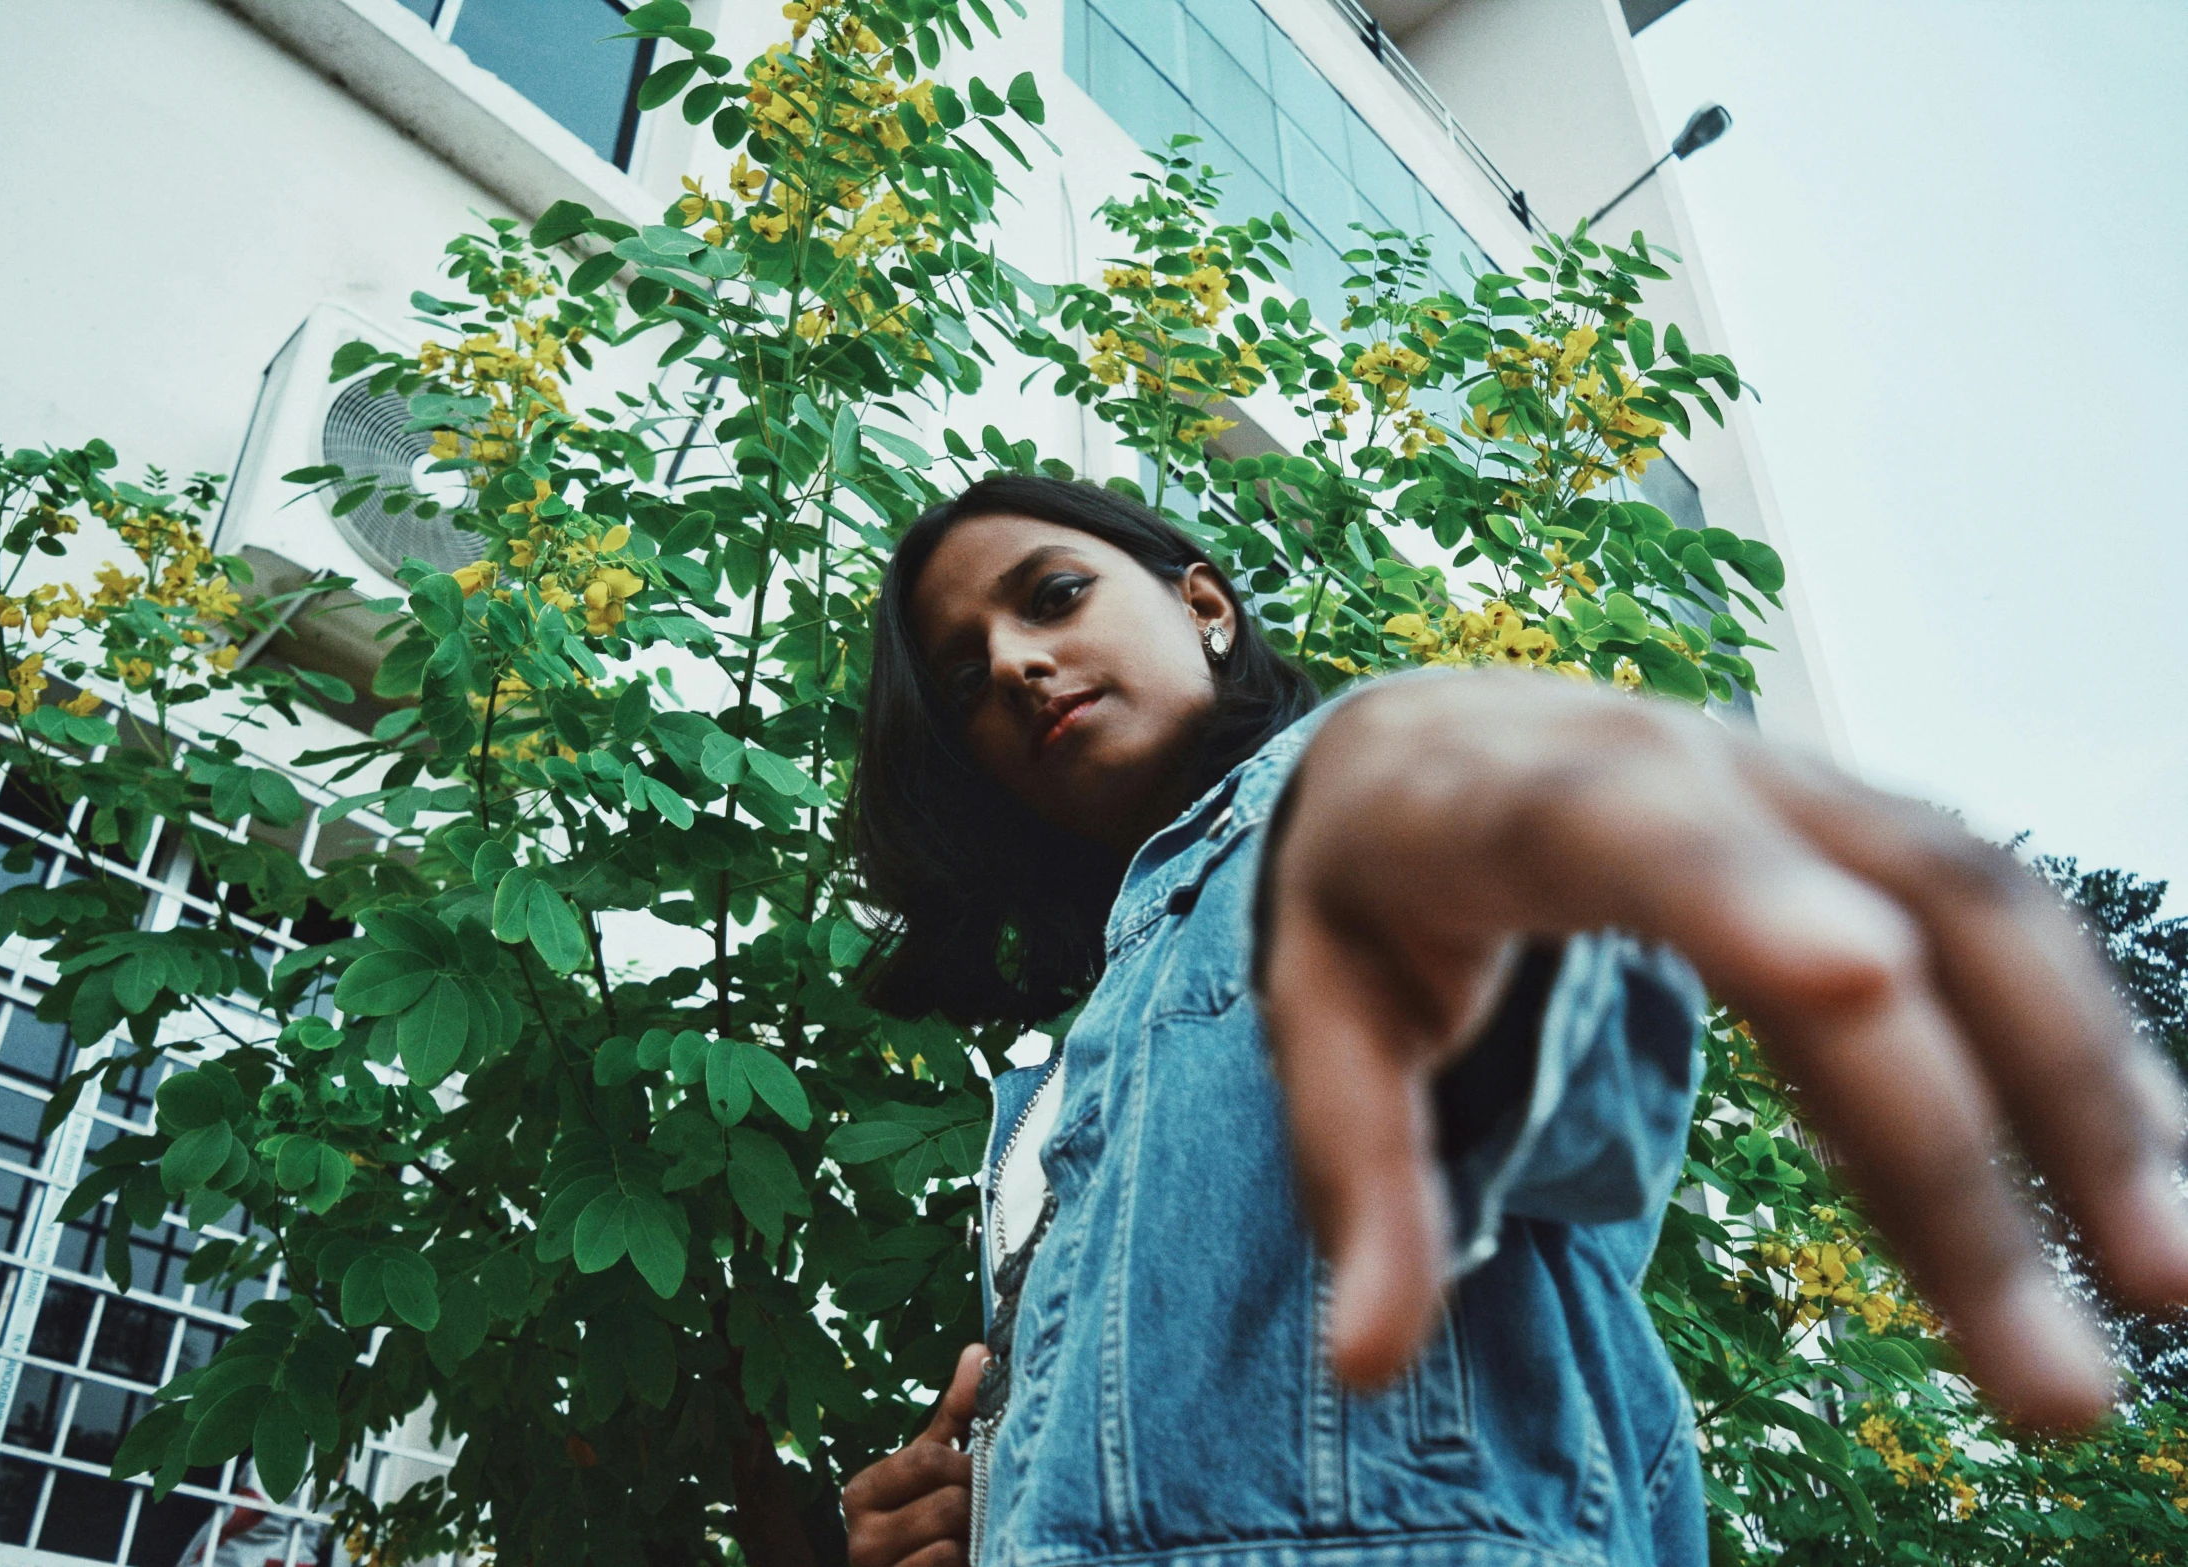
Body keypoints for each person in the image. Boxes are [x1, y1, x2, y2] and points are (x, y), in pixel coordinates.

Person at [838, 475, 2188, 1567]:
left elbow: (1554, 1054)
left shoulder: (1348, 826)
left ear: (1204, 604)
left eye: (1053, 594)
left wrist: (1394, 763)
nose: (1012, 661)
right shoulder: (1058, 1086)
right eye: (961, 677)